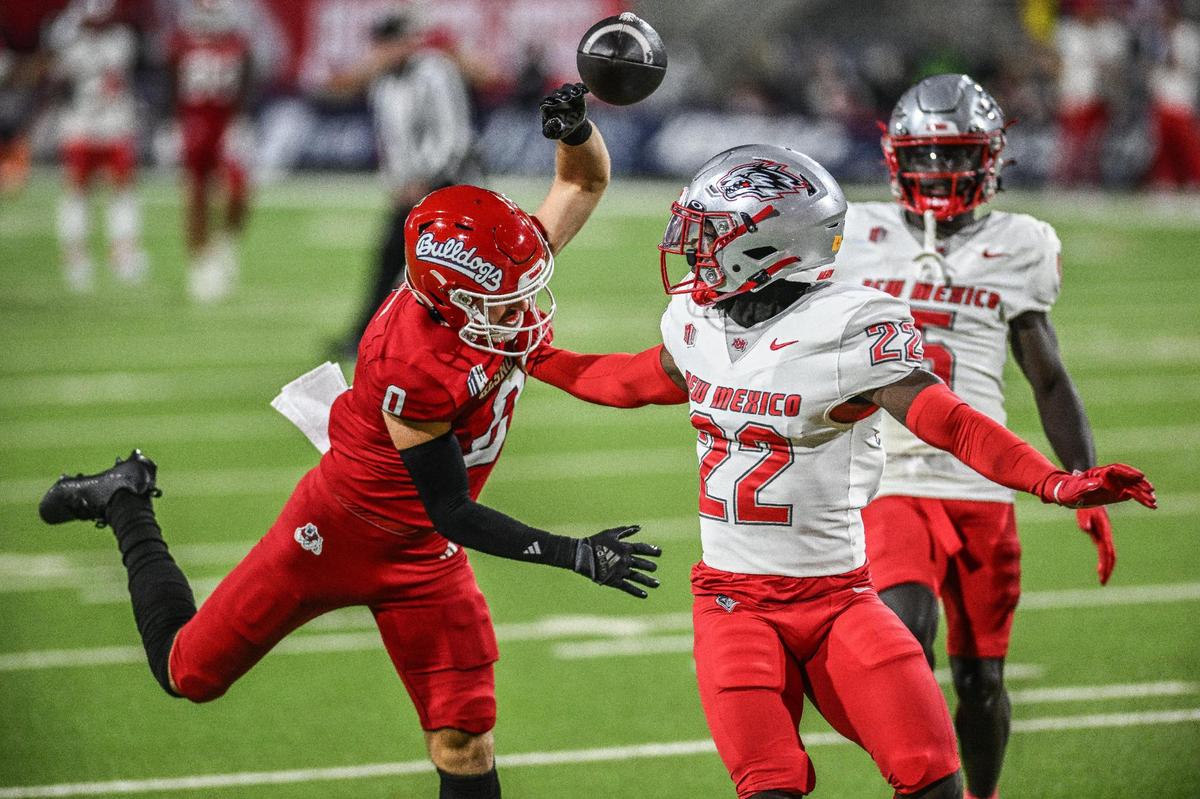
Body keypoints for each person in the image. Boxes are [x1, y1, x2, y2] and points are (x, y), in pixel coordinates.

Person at [38, 86, 665, 799]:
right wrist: (573, 554)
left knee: (464, 741)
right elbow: (452, 510)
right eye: (505, 301)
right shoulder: (412, 359)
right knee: (189, 673)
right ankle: (125, 499)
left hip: (424, 554)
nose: (525, 308)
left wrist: (575, 130)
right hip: (339, 530)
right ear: (454, 302)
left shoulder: (490, 276)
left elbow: (581, 184)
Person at [529, 143, 1155, 798]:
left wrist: (1054, 481)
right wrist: (538, 357)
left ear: (767, 245)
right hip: (734, 605)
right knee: (771, 787)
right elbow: (633, 379)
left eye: (712, 232)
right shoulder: (699, 320)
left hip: (839, 602)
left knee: (934, 776)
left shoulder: (845, 328)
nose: (694, 247)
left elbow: (954, 422)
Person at [833, 73, 1120, 799]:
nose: (939, 170)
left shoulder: (1020, 243)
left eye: (956, 154)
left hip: (982, 480)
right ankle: (926, 785)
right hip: (888, 472)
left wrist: (1081, 476)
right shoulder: (852, 232)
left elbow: (1047, 377)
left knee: (980, 679)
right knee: (906, 632)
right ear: (895, 157)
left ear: (989, 157)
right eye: (925, 156)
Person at [325, 8, 475, 359]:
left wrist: (425, 178)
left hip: (450, 187)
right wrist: (396, 183)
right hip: (410, 191)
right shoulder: (384, 83)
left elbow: (452, 134)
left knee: (455, 269)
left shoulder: (436, 72)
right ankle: (367, 337)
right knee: (391, 261)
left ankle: (467, 340)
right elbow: (391, 141)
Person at [46, 0, 148, 292]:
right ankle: (103, 255)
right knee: (97, 193)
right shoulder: (121, 41)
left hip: (91, 124)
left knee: (95, 193)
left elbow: (57, 81)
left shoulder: (73, 42)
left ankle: (89, 256)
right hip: (104, 124)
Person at [166, 0, 254, 302]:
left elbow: (247, 80)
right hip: (194, 123)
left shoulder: (237, 44)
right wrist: (169, 123)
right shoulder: (181, 43)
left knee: (239, 189)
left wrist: (242, 120)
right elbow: (170, 83)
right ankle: (199, 264)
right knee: (196, 195)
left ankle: (226, 244)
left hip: (226, 123)